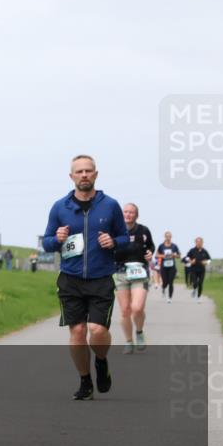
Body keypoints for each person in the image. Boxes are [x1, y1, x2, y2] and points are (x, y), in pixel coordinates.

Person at [41, 155, 128, 400]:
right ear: (71, 176)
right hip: (71, 279)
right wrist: (56, 239)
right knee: (78, 332)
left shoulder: (110, 205)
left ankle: (101, 360)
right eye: (79, 171)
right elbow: (47, 242)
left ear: (96, 174)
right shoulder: (60, 207)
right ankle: (85, 381)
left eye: (88, 171)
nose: (84, 175)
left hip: (101, 278)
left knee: (97, 330)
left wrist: (113, 242)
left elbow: (124, 238)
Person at [112, 203, 155, 354]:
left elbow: (150, 247)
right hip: (120, 272)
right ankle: (129, 341)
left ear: (136, 215)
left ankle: (139, 331)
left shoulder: (143, 230)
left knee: (137, 308)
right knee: (125, 310)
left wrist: (150, 253)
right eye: (125, 212)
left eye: (131, 212)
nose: (128, 214)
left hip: (140, 272)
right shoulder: (114, 230)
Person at [185, 237, 212, 301]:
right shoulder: (192, 250)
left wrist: (206, 262)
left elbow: (209, 260)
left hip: (202, 270)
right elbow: (186, 257)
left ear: (202, 243)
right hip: (193, 270)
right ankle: (194, 289)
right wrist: (191, 261)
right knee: (195, 283)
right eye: (198, 242)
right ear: (195, 243)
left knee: (200, 283)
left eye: (200, 242)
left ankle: (199, 297)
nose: (199, 243)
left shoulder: (205, 251)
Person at [158, 232, 181, 303]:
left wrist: (174, 255)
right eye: (167, 236)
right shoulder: (161, 246)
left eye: (169, 237)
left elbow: (179, 255)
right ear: (165, 237)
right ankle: (163, 288)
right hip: (164, 267)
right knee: (165, 282)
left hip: (172, 267)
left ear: (171, 237)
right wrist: (163, 256)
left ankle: (170, 298)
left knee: (171, 282)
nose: (168, 238)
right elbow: (157, 255)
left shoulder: (174, 246)